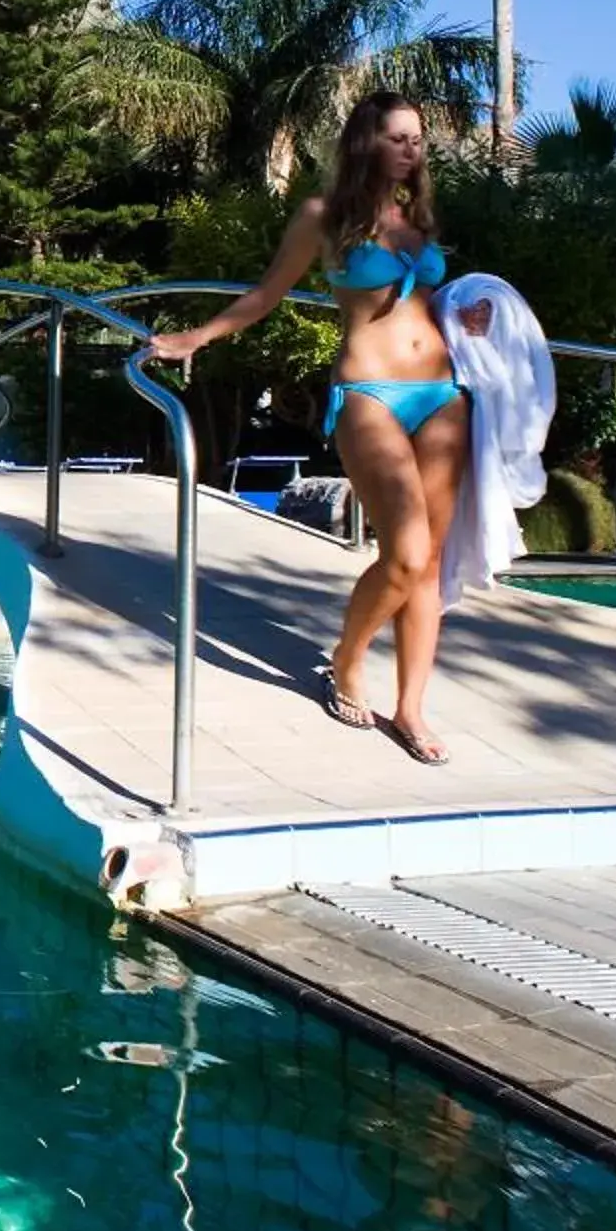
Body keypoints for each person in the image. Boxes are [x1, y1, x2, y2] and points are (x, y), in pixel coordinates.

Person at [147, 93, 480, 766]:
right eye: (397, 138)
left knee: (430, 565)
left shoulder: (419, 217)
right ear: (365, 143)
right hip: (370, 393)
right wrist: (199, 336)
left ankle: (411, 706)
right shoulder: (323, 217)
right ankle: (347, 658)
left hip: (443, 394)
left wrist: (466, 322)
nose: (412, 149)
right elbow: (267, 293)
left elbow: (427, 303)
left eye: (418, 139)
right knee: (406, 552)